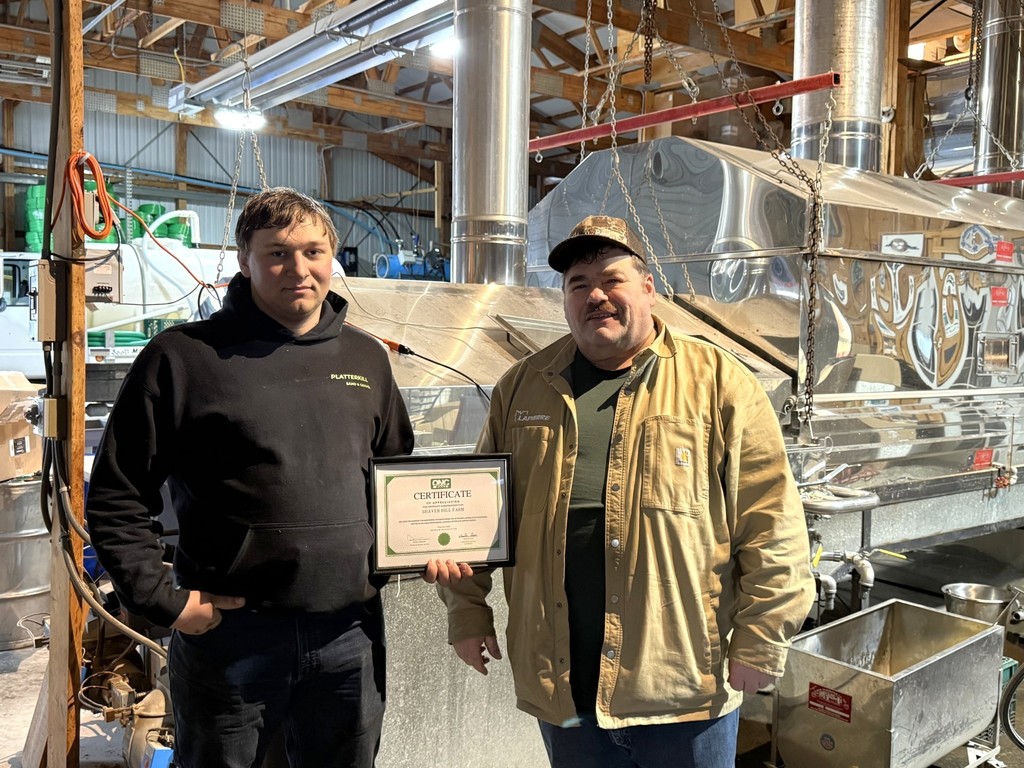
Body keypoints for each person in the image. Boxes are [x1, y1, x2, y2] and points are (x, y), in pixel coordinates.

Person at [87, 187, 467, 768]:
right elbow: (117, 494)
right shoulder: (183, 358)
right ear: (245, 259)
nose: (299, 269)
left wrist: (427, 545)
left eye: (314, 252)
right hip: (231, 638)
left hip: (349, 636)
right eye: (278, 253)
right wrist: (164, 600)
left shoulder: (366, 358)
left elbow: (396, 478)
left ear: (332, 257)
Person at [437, 215, 814, 767]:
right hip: (563, 689)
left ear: (647, 287)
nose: (596, 296)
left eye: (611, 279)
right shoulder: (523, 386)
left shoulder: (718, 381)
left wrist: (761, 639)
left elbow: (772, 521)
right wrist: (467, 615)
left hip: (683, 692)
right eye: (578, 284)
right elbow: (478, 514)